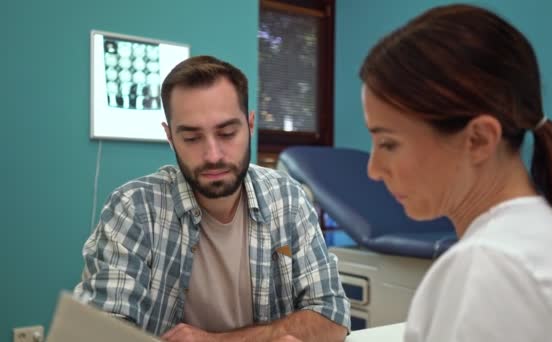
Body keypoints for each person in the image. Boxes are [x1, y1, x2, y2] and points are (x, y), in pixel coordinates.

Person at [357, 4, 552, 341]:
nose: (373, 170)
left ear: (478, 139)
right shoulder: (535, 243)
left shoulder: (493, 266)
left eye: (388, 143)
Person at [74, 55, 350, 342]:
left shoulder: (288, 199)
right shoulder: (134, 209)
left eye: (228, 133)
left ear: (250, 125)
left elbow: (332, 317)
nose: (213, 155)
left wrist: (215, 341)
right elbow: (101, 330)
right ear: (170, 137)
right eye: (192, 138)